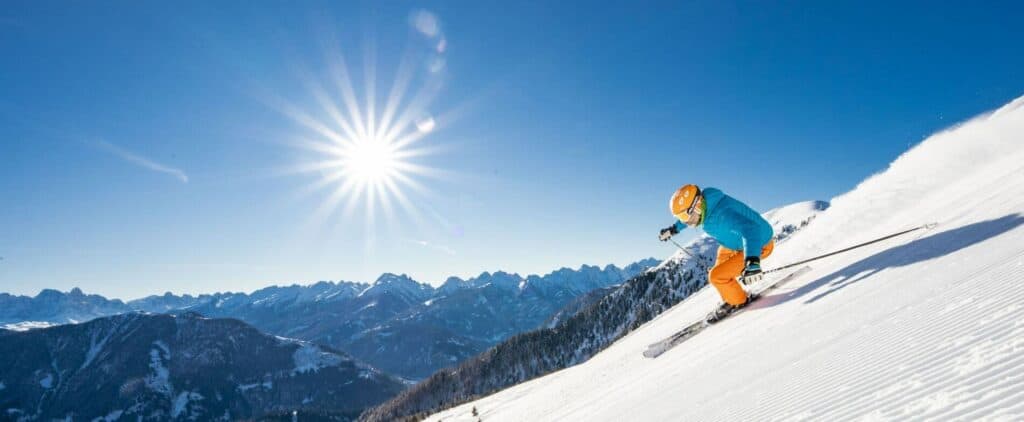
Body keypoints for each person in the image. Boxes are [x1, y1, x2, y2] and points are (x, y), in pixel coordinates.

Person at [659, 184, 775, 320]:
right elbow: (689, 218)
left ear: (697, 205)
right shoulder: (707, 206)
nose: (686, 221)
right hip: (735, 244)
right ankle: (731, 296)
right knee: (720, 268)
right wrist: (673, 229)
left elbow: (751, 230)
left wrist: (752, 262)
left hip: (758, 244)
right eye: (680, 217)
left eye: (684, 216)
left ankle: (739, 301)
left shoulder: (723, 213)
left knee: (716, 276)